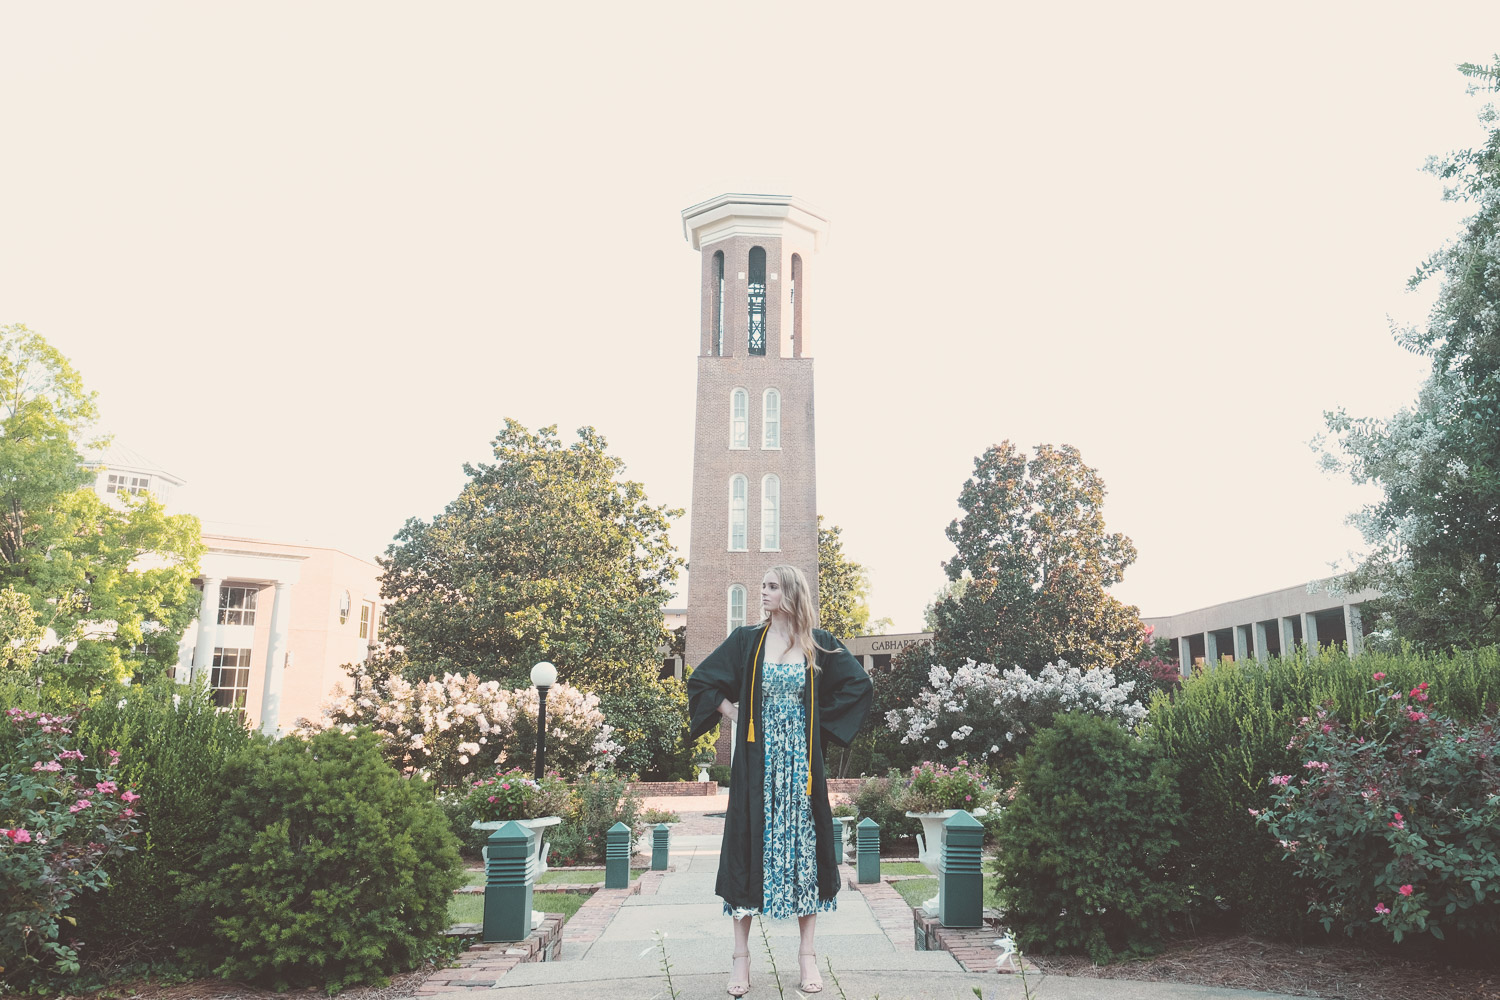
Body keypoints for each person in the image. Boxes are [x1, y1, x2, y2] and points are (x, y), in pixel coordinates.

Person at [686, 565, 873, 997]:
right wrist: (731, 711)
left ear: (790, 593)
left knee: (804, 852)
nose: (763, 594)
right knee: (748, 846)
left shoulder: (818, 644)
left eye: (771, 587)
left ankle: (807, 957)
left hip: (801, 768)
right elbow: (703, 681)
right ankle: (741, 959)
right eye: (763, 587)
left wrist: (815, 727)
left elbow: (858, 687)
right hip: (757, 764)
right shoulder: (747, 641)